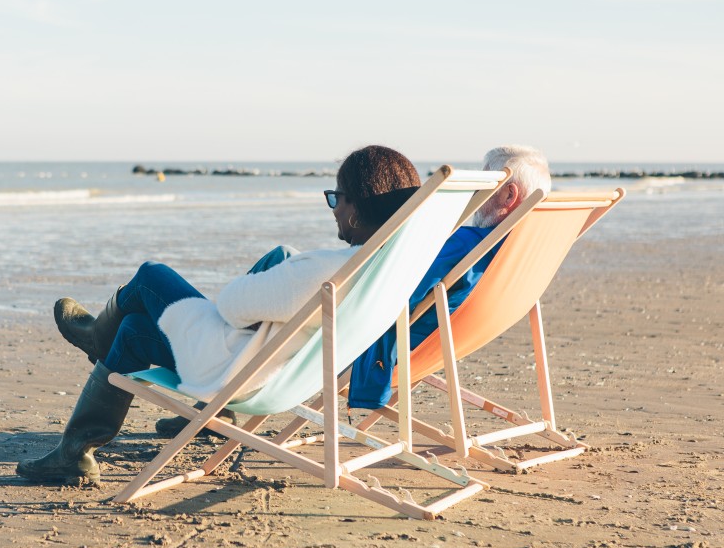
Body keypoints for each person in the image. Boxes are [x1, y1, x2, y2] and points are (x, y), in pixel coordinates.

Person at [16, 145, 423, 483]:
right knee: (138, 329)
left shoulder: (323, 269)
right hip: (284, 372)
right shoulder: (391, 269)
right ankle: (79, 451)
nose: (332, 209)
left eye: (336, 199)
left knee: (150, 277)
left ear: (355, 210)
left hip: (236, 376)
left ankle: (93, 340)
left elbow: (231, 306)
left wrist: (268, 288)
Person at [151, 144, 553, 432]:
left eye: (490, 185)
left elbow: (387, 288)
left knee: (165, 289)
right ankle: (215, 399)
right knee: (283, 256)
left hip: (363, 336)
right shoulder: (519, 246)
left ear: (510, 195)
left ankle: (217, 390)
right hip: (427, 334)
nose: (479, 196)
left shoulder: (467, 244)